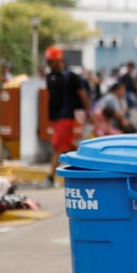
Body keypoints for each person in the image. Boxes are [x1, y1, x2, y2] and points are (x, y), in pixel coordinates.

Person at [40, 46, 91, 189]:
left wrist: (88, 113)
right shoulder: (50, 77)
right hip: (56, 117)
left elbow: (82, 94)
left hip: (66, 116)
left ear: (58, 60)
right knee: (68, 145)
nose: (49, 64)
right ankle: (89, 160)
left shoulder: (71, 77)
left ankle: (50, 177)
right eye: (48, 62)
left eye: (51, 61)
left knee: (57, 146)